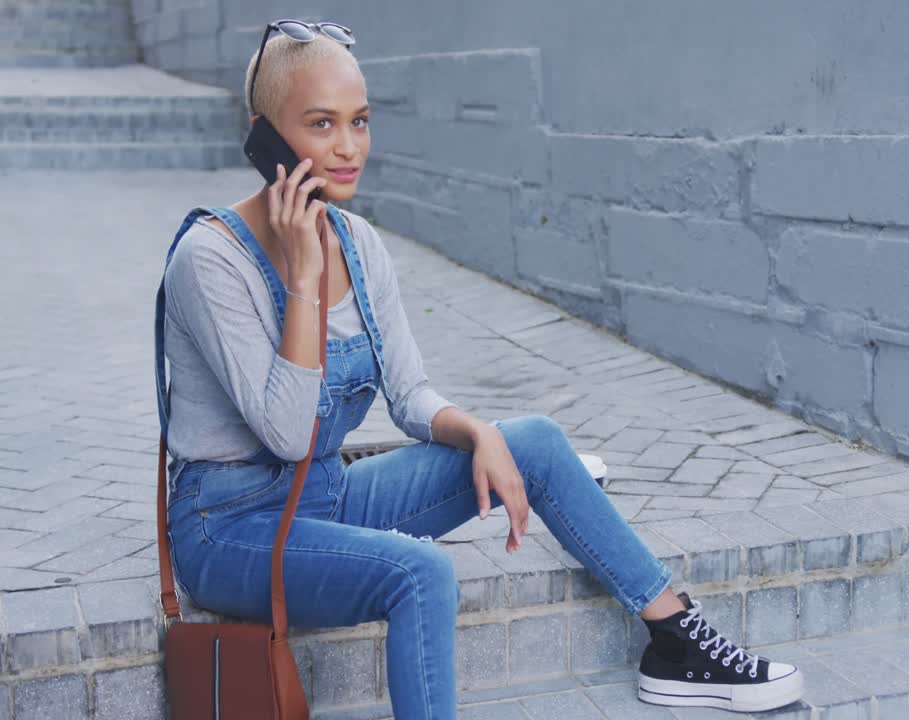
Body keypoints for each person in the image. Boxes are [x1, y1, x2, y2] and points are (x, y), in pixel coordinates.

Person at [158, 20, 803, 719]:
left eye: (360, 122)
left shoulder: (358, 242)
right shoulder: (211, 260)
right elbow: (286, 432)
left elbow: (407, 393)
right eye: (321, 124)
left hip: (324, 496)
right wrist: (305, 277)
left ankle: (677, 639)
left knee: (534, 441)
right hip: (229, 528)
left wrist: (477, 431)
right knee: (421, 573)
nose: (349, 148)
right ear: (265, 136)